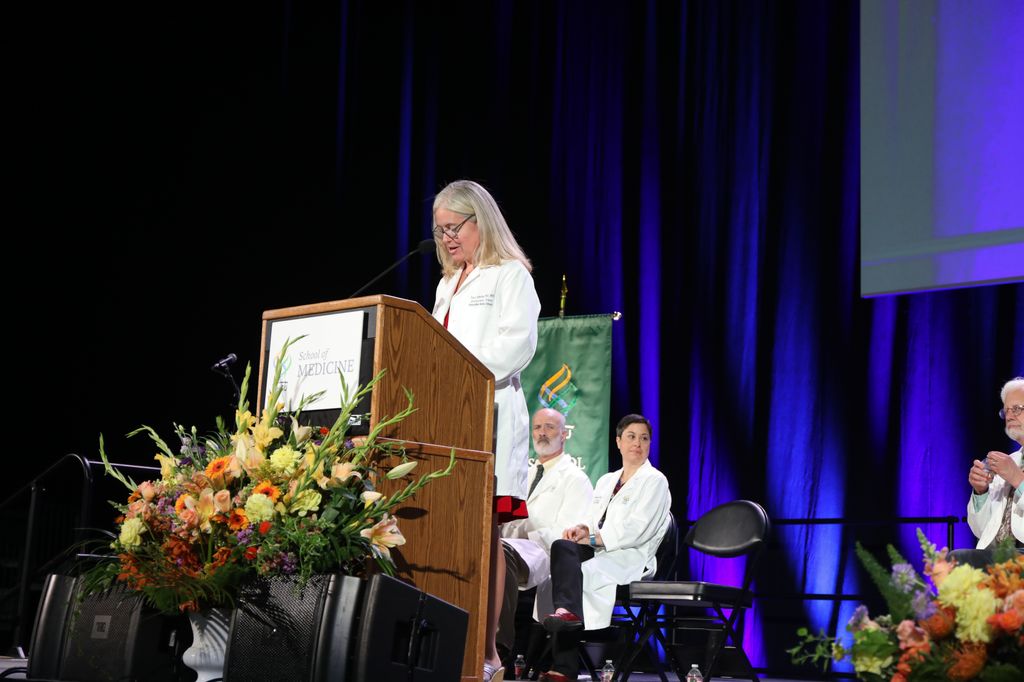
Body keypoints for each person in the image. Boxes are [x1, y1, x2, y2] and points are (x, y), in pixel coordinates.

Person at [431, 179, 541, 682]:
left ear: (482, 222)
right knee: (448, 532)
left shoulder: (509, 275)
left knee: (484, 534)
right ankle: (446, 644)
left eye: (456, 227)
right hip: (445, 419)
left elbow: (516, 347)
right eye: (440, 230)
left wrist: (463, 379)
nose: (448, 238)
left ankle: (489, 653)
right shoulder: (446, 284)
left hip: (489, 416)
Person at [538, 414, 672, 682]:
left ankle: (563, 668)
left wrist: (593, 539)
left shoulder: (655, 481)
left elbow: (636, 530)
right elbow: (593, 518)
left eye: (644, 438)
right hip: (600, 549)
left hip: (629, 557)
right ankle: (567, 618)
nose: (638, 443)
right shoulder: (606, 480)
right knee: (562, 548)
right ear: (618, 442)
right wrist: (583, 530)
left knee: (571, 581)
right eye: (631, 437)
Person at [498, 408, 594, 667]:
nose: (542, 433)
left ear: (564, 434)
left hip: (546, 554)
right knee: (489, 549)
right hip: (515, 546)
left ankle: (500, 647)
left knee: (500, 556)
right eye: (538, 427)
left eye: (550, 427)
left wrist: (528, 524)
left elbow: (567, 534)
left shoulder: (575, 479)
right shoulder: (524, 475)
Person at [950, 376, 1024, 569]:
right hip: (999, 556)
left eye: (1016, 409)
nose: (1009, 416)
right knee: (955, 561)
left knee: (960, 560)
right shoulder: (1008, 462)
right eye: (1006, 410)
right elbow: (982, 530)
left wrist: (1017, 479)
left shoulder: (1009, 467)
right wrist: (980, 492)